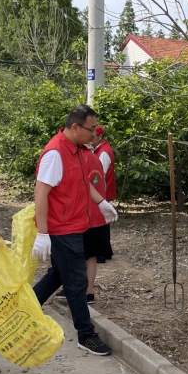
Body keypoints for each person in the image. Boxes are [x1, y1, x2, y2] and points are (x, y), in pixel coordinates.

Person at [32, 104, 118, 356]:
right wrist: (43, 233)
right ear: (75, 127)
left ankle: (24, 309)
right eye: (91, 129)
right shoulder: (55, 154)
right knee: (77, 281)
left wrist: (100, 202)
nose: (94, 133)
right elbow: (41, 193)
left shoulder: (78, 150)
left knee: (59, 274)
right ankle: (85, 334)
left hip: (74, 225)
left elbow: (82, 183)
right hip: (62, 228)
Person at [83, 128, 113, 304]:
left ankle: (85, 291)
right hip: (95, 209)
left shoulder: (94, 156)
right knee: (90, 254)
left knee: (87, 254)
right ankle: (87, 291)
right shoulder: (94, 155)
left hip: (88, 212)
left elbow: (93, 182)